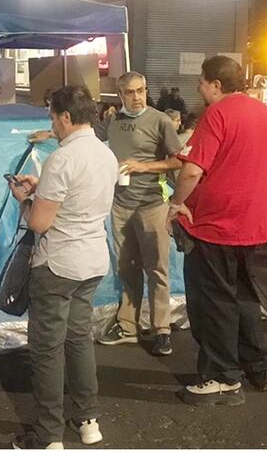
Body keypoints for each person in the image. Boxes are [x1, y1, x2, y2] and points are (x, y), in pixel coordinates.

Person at [166, 55, 267, 405]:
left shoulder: (217, 114)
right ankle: (258, 366)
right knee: (245, 297)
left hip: (214, 224)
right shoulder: (262, 112)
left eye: (202, 83)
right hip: (249, 223)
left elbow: (191, 171)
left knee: (213, 303)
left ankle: (221, 377)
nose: (200, 89)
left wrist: (176, 204)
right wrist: (258, 189)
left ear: (216, 84)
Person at [8, 85, 117, 449]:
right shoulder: (106, 154)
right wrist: (44, 189)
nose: (51, 125)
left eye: (53, 117)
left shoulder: (61, 158)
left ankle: (49, 435)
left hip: (58, 264)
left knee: (47, 349)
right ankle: (88, 420)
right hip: (93, 261)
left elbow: (39, 223)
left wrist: (25, 199)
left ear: (67, 117)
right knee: (79, 338)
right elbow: (79, 198)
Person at [95, 72, 183, 356]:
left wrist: (144, 167)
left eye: (141, 91)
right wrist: (49, 133)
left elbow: (177, 160)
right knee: (126, 267)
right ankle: (128, 325)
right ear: (120, 95)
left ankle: (162, 329)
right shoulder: (112, 121)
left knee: (157, 268)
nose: (137, 97)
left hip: (152, 204)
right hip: (120, 205)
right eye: (130, 92)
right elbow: (86, 138)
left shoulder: (160, 121)